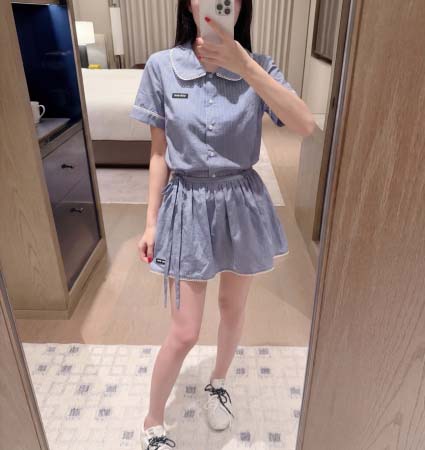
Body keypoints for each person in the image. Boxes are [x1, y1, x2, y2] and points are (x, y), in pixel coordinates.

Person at [130, 1, 315, 448]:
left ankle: (217, 383)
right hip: (186, 204)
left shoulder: (259, 65)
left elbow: (305, 124)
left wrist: (245, 65)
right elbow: (159, 154)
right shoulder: (162, 67)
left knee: (233, 308)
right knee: (185, 331)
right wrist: (150, 222)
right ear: (189, 3)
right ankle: (152, 421)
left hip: (241, 203)